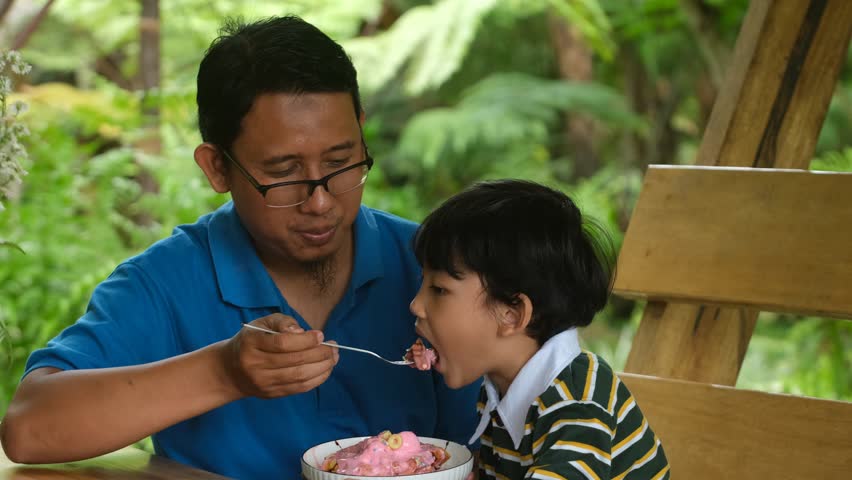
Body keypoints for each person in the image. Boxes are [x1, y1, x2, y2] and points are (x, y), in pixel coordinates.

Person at [0, 15, 480, 480]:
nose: (320, 201)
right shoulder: (167, 283)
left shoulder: (435, 264)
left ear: (360, 129)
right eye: (283, 172)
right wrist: (222, 372)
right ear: (217, 168)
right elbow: (30, 428)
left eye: (341, 161)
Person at [407, 180, 670, 479]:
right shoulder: (498, 390)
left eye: (438, 289)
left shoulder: (577, 401)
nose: (415, 305)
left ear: (512, 314)